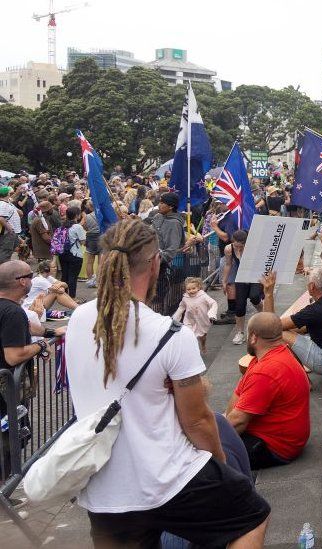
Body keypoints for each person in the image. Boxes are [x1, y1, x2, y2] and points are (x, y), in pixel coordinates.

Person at [64, 219, 269, 547]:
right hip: (167, 480)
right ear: (155, 261)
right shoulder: (171, 335)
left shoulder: (77, 320)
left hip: (104, 490)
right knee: (252, 515)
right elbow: (198, 420)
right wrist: (221, 465)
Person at [0, 260, 65, 481]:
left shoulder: (11, 309)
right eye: (30, 274)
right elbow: (14, 355)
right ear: (22, 281)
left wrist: (50, 333)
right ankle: (4, 495)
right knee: (11, 438)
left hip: (6, 386)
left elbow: (27, 327)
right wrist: (40, 346)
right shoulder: (12, 312)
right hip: (6, 389)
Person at [226, 312, 311, 469]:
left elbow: (238, 421)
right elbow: (238, 397)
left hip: (275, 447)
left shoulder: (265, 370)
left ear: (253, 337)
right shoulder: (270, 356)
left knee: (205, 457)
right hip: (283, 438)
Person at [262, 267, 322, 375]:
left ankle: (302, 379)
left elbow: (272, 326)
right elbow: (304, 327)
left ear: (312, 286)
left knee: (279, 332)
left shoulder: (313, 310)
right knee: (292, 329)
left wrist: (268, 294)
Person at [223, 230, 263, 345]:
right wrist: (224, 281)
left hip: (254, 276)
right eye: (236, 246)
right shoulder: (229, 249)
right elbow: (228, 264)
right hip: (241, 277)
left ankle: (263, 312)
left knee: (254, 297)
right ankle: (240, 332)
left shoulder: (253, 248)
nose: (238, 248)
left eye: (241, 246)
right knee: (239, 305)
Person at [172, 276, 219, 352]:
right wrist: (175, 318)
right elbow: (181, 307)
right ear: (186, 290)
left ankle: (203, 345)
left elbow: (213, 303)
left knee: (202, 336)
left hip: (202, 319)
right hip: (189, 320)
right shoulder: (185, 298)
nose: (191, 291)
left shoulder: (203, 296)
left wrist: (212, 313)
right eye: (188, 289)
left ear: (198, 287)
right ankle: (193, 351)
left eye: (193, 288)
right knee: (190, 335)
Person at [57, 206, 86, 298]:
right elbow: (83, 241)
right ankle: (72, 297)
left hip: (62, 253)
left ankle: (63, 295)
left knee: (64, 275)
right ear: (77, 215)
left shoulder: (62, 226)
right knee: (73, 276)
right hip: (75, 254)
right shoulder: (77, 227)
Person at [0, 186, 24, 264]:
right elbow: (1, 218)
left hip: (11, 232)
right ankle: (3, 270)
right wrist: (10, 229)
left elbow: (13, 198)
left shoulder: (6, 202)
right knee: (6, 252)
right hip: (8, 232)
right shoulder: (3, 204)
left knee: (11, 249)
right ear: (8, 194)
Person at [81, 199, 100, 287]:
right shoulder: (101, 215)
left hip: (90, 236)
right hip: (100, 236)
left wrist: (88, 229)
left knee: (90, 261)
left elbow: (83, 225)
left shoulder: (87, 216)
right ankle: (98, 281)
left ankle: (90, 280)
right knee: (100, 261)